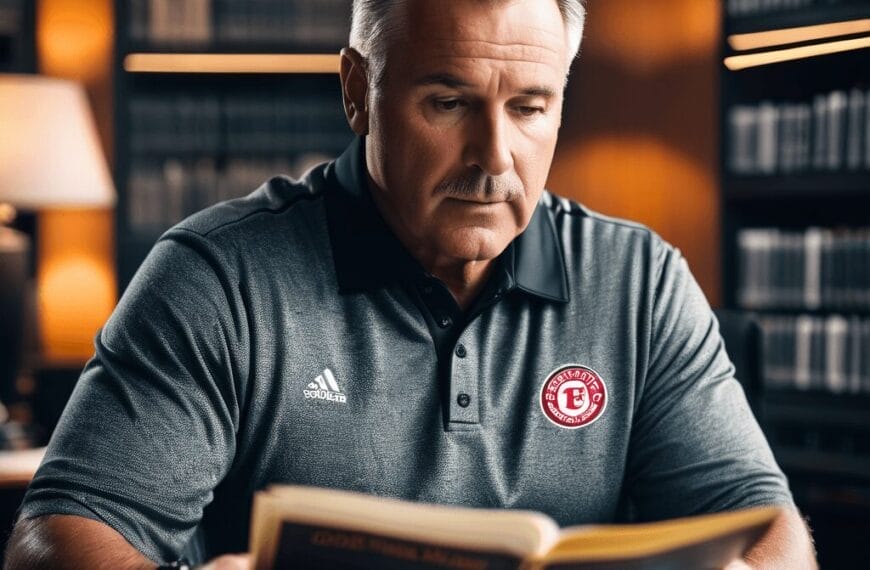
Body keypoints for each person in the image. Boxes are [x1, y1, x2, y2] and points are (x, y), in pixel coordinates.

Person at [6, 0, 817, 568]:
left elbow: (768, 528)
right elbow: (57, 539)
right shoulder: (218, 277)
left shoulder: (641, 284)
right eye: (449, 101)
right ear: (358, 90)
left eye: (530, 108)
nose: (494, 156)